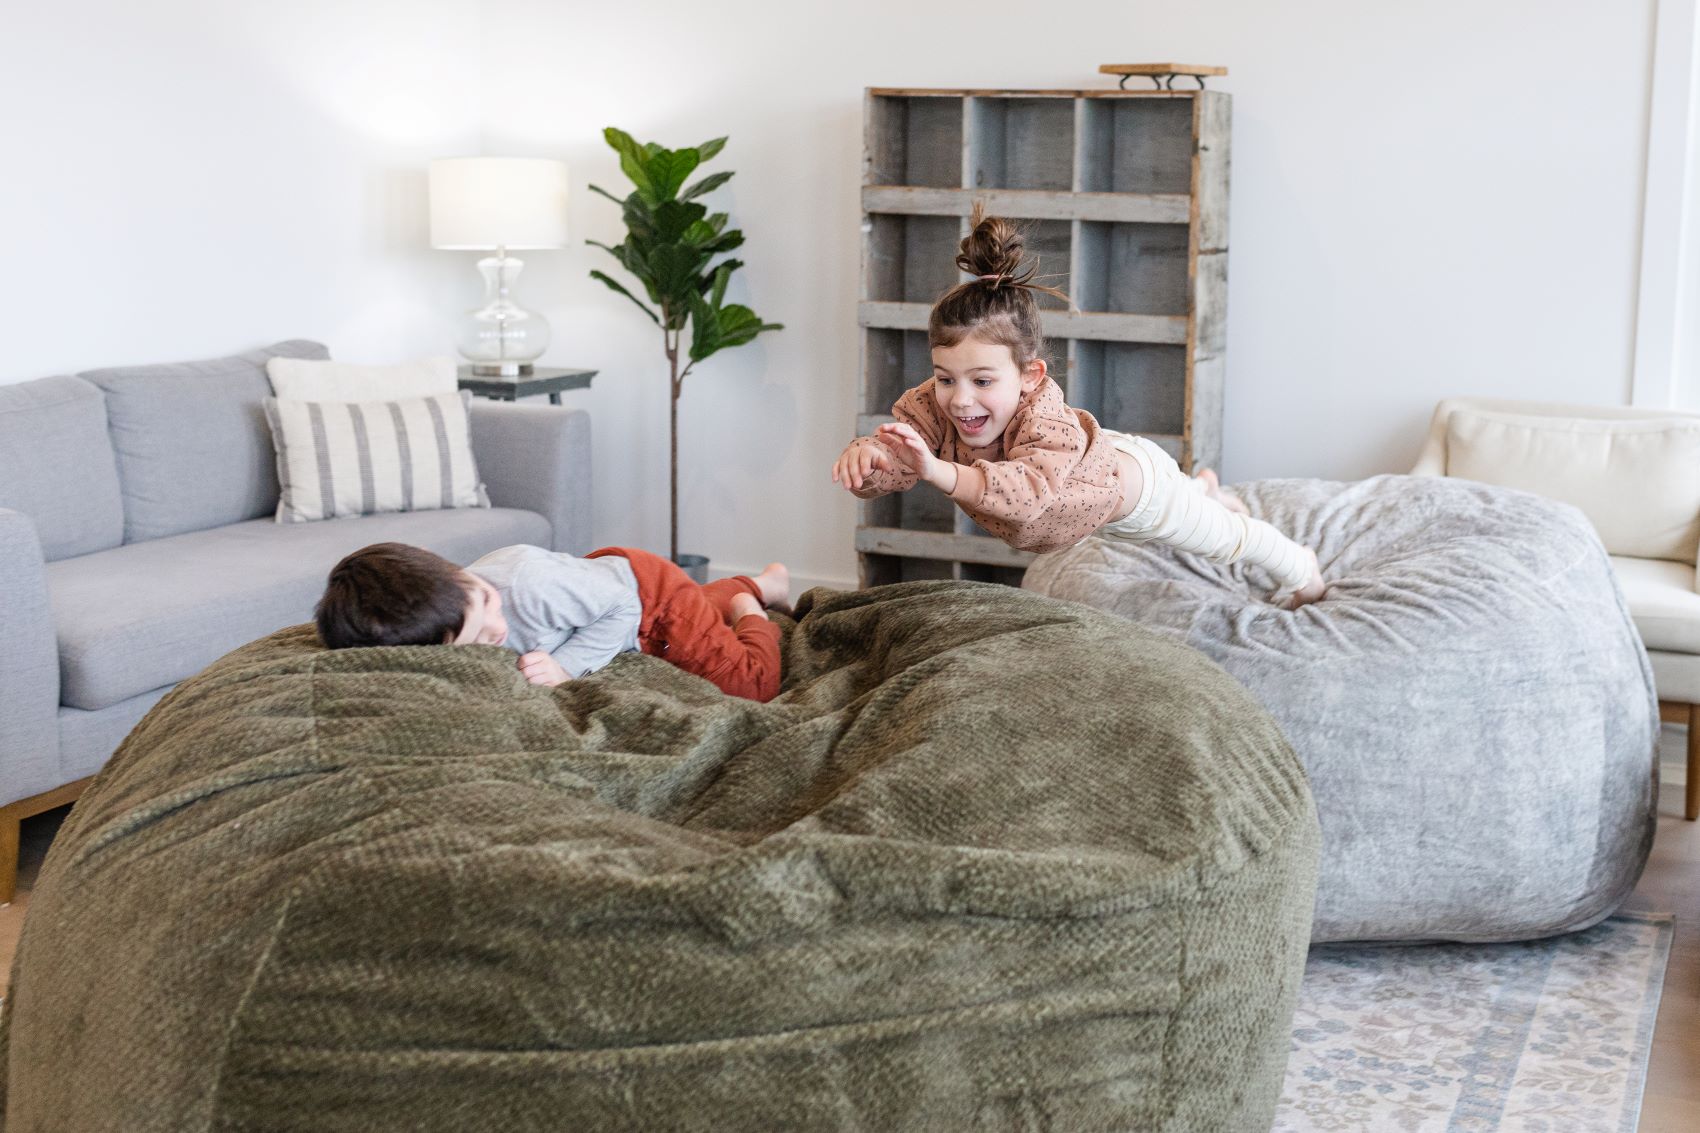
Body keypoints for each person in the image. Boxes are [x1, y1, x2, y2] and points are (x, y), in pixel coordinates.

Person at [832, 207, 1325, 608]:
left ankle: (1303, 567)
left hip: (1142, 493)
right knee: (1198, 498)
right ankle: (1207, 490)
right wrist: (873, 457)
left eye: (982, 380)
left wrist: (936, 470)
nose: (960, 399)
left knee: (1225, 541)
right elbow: (903, 456)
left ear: (1030, 376)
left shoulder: (1046, 420)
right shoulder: (936, 404)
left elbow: (1025, 497)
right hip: (1102, 464)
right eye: (945, 378)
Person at [314, 542, 791, 701]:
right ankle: (759, 583)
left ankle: (751, 602)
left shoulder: (527, 586)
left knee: (750, 684)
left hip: (645, 598)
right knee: (703, 617)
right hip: (590, 588)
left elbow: (621, 608)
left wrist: (565, 667)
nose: (496, 633)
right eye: (477, 640)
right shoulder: (436, 617)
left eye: (487, 605)